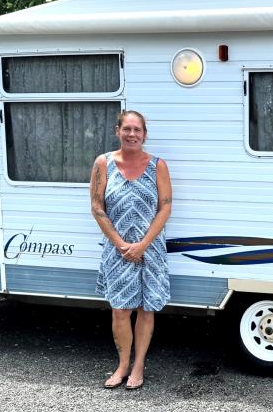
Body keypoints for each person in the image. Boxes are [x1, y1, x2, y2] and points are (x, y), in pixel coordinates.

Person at [90, 110, 172, 390]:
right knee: (120, 311)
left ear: (145, 134)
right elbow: (97, 207)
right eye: (127, 129)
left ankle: (139, 366)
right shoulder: (103, 164)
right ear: (118, 131)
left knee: (146, 310)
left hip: (150, 250)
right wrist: (120, 243)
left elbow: (165, 207)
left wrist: (143, 244)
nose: (132, 134)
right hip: (118, 251)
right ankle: (123, 365)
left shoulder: (157, 166)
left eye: (137, 130)